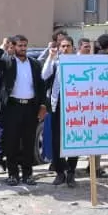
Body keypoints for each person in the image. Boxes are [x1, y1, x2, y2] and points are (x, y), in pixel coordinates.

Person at [0, 35, 47, 186]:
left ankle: (28, 175)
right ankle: (12, 174)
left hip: (30, 108)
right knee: (12, 143)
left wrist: (43, 105)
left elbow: (41, 86)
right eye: (20, 46)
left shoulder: (35, 64)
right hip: (12, 108)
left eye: (25, 46)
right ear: (14, 46)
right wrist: (2, 47)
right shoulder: (8, 61)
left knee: (29, 142)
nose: (23, 48)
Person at [42, 36, 80, 186]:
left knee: (74, 139)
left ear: (72, 48)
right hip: (58, 104)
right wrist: (50, 57)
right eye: (62, 46)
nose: (65, 49)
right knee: (57, 140)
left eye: (68, 46)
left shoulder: (78, 63)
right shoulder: (55, 63)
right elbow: (44, 75)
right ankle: (59, 172)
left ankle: (71, 172)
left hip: (76, 105)